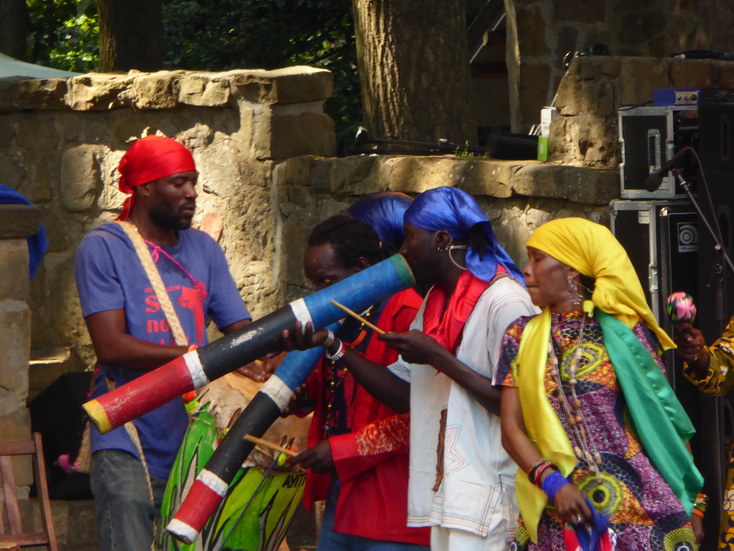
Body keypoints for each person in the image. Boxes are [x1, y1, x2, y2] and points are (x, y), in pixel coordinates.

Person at [287, 186, 537, 551]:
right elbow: (404, 392)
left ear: (440, 240)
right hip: (445, 493)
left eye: (409, 237)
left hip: (491, 491)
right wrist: (334, 346)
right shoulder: (434, 303)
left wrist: (438, 358)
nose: (402, 249)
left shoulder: (506, 301)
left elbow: (519, 407)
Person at [74, 135, 252, 551]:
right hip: (127, 430)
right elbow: (112, 347)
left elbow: (239, 332)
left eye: (193, 182)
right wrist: (203, 357)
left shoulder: (204, 249)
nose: (191, 193)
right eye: (178, 184)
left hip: (194, 429)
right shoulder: (104, 247)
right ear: (143, 187)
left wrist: (272, 349)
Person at [497, 217, 705, 550]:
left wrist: (695, 502)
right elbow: (510, 429)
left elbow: (664, 420)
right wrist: (554, 485)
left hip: (642, 515)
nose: (526, 270)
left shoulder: (624, 332)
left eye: (537, 259)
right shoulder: (519, 336)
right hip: (564, 516)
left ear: (572, 270)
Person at [288, 214, 430, 550]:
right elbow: (340, 391)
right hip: (345, 494)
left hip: (395, 506)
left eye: (327, 281)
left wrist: (341, 450)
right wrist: (304, 396)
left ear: (362, 267)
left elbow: (423, 413)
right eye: (315, 285)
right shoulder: (340, 317)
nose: (320, 295)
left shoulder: (409, 314)